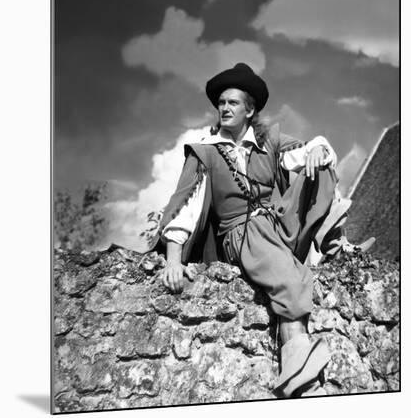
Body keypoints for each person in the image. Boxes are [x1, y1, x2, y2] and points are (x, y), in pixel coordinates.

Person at [156, 63, 374, 398]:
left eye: (232, 103)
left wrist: (316, 149)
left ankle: (335, 246)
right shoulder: (205, 151)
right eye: (221, 103)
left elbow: (303, 154)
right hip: (242, 233)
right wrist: (173, 259)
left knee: (320, 161)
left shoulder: (269, 141)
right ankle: (296, 361)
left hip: (279, 222)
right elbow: (185, 205)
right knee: (288, 277)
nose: (224, 108)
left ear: (250, 109)